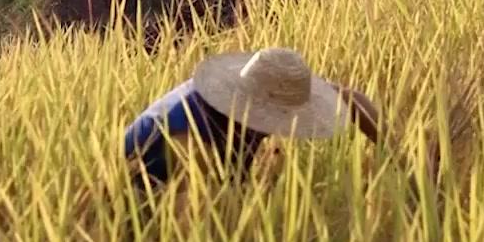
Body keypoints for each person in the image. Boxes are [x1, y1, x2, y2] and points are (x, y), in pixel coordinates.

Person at [124, 44, 379, 192]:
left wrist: (393, 149)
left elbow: (350, 98)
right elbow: (198, 220)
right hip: (146, 194)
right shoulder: (190, 137)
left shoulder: (255, 89)